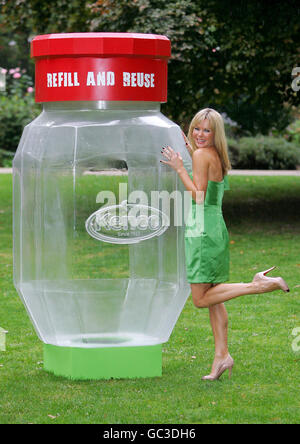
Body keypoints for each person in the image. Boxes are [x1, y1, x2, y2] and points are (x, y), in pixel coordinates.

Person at [160, 108, 289, 381]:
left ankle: (257, 285)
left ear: (215, 133)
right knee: (214, 297)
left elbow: (198, 196)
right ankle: (222, 357)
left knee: (200, 299)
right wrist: (191, 151)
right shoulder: (215, 155)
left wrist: (180, 167)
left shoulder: (200, 155)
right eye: (197, 128)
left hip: (202, 229)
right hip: (214, 226)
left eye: (207, 130)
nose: (200, 134)